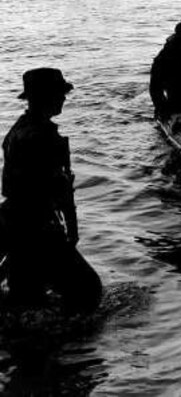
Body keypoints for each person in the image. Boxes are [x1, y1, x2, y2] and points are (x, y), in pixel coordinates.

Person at [1, 68, 102, 312]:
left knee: (27, 297)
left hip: (18, 219)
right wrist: (69, 229)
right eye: (59, 94)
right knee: (87, 291)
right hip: (34, 222)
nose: (64, 98)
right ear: (46, 97)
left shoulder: (21, 130)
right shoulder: (40, 137)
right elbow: (53, 188)